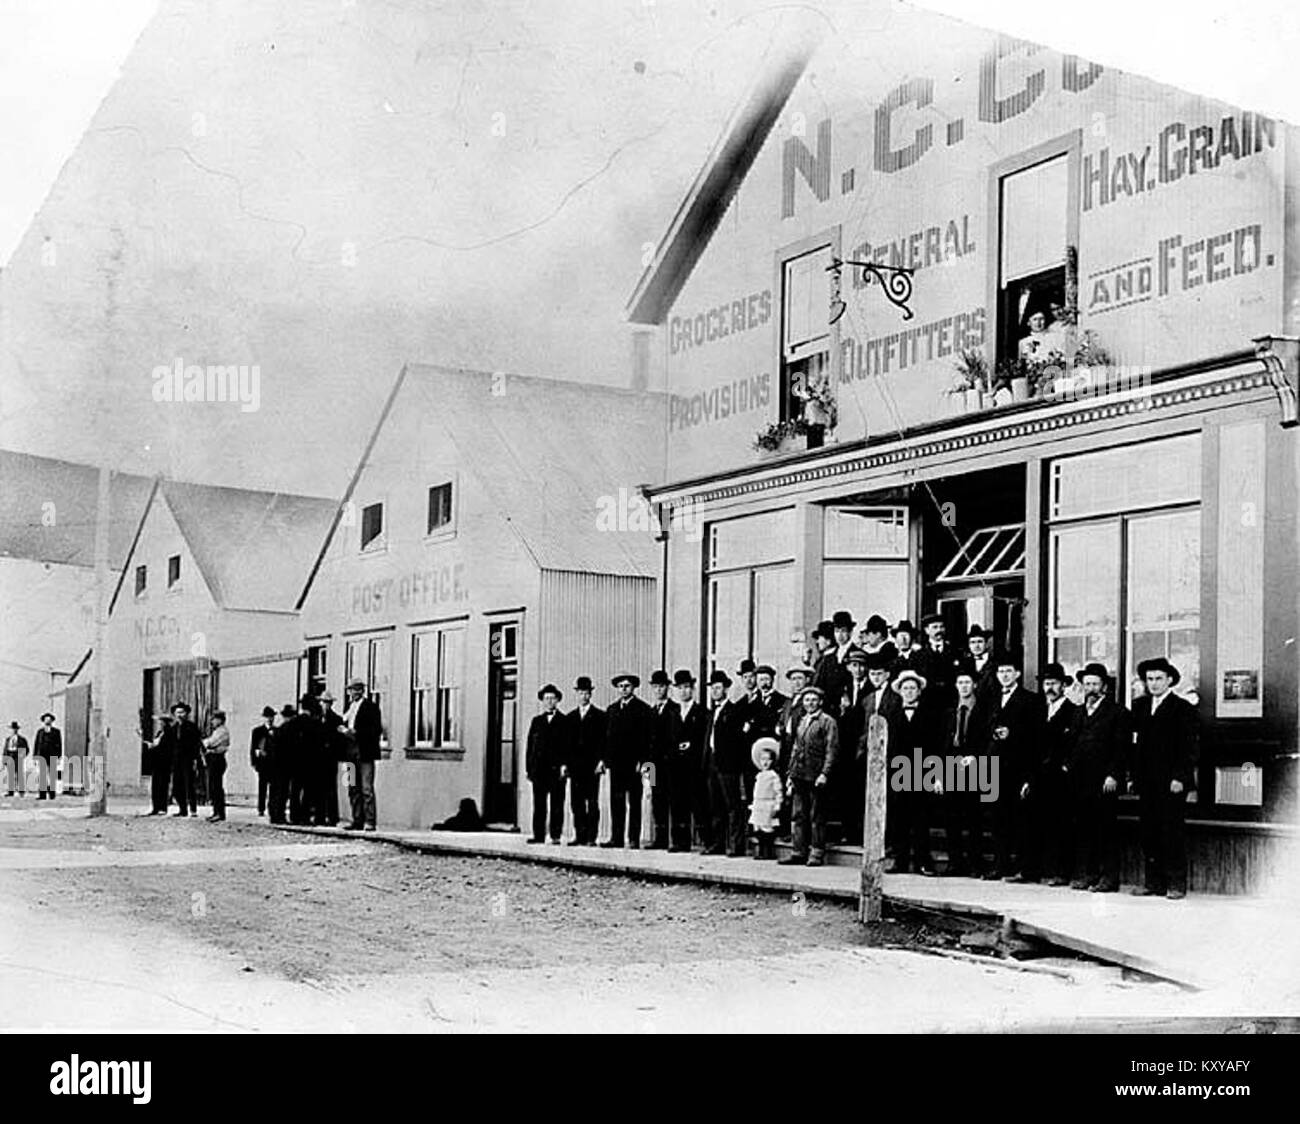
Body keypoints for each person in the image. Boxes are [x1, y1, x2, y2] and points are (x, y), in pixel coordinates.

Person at [1131, 658, 1199, 899]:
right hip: (1147, 781)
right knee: (1149, 832)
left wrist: (1180, 777)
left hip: (1171, 782)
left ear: (1170, 680)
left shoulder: (1182, 708)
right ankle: (1153, 882)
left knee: (1171, 832)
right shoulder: (1139, 706)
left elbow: (1189, 747)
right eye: (1149, 679)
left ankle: (1176, 884)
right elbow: (1135, 744)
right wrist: (1133, 775)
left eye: (1159, 678)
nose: (1154, 683)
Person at [1068, 663, 1130, 893]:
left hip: (1104, 781)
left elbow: (1121, 748)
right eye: (1087, 684)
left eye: (1095, 684)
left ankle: (1109, 878)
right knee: (1085, 829)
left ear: (1104, 686)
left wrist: (1114, 774)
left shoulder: (1117, 712)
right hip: (1081, 781)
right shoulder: (1078, 712)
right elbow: (1072, 743)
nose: (1091, 688)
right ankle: (1088, 874)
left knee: (1106, 831)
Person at [986, 657, 1043, 881]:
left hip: (1019, 768)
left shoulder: (1031, 700)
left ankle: (1024, 868)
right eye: (1001, 671)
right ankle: (1001, 866)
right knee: (998, 819)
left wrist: (1013, 735)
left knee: (1021, 820)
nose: (1005, 675)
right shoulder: (991, 699)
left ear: (1017, 673)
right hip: (995, 767)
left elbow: (1037, 739)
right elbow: (984, 728)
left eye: (1009, 670)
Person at [884, 669, 940, 875]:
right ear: (900, 691)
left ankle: (923, 862)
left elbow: (936, 746)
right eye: (905, 688)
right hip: (898, 772)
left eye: (912, 688)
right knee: (899, 819)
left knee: (921, 819)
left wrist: (936, 775)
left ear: (919, 691)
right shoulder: (891, 714)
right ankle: (899, 860)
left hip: (922, 771)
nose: (909, 692)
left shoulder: (930, 715)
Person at [1026, 664, 1079, 884]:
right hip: (1039, 776)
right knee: (1034, 823)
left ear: (1064, 685)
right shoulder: (1038, 711)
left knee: (1060, 825)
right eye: (1046, 683)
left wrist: (1066, 766)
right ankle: (1033, 871)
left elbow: (1075, 745)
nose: (1050, 687)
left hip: (1060, 778)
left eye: (1055, 683)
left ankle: (1061, 872)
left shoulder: (1074, 711)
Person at [779, 685, 839, 867]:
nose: (810, 703)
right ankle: (798, 851)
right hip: (799, 774)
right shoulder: (802, 720)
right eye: (807, 700)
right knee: (798, 815)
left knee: (816, 816)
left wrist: (824, 773)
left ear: (820, 702)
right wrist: (790, 773)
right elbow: (795, 749)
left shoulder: (827, 722)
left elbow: (832, 749)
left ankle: (816, 853)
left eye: (814, 700)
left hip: (816, 775)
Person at [941, 670, 991, 877]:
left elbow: (989, 739)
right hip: (952, 763)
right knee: (952, 818)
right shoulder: (950, 711)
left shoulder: (984, 710)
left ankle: (975, 863)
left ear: (975, 685)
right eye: (960, 682)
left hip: (974, 764)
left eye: (967, 682)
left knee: (973, 817)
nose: (964, 686)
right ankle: (955, 863)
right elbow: (942, 744)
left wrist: (976, 757)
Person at [601, 673, 653, 848]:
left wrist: (643, 761)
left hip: (634, 764)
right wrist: (606, 761)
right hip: (616, 764)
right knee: (616, 801)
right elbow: (607, 739)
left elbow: (646, 738)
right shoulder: (612, 710)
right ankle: (616, 837)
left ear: (634, 688)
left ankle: (633, 838)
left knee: (635, 802)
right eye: (621, 686)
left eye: (627, 686)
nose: (624, 689)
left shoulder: (643, 709)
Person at [701, 669, 744, 855]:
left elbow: (738, 742)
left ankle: (736, 845)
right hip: (712, 763)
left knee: (732, 806)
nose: (715, 692)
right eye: (713, 688)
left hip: (728, 765)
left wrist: (734, 764)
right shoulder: (712, 713)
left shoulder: (734, 712)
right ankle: (718, 844)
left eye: (718, 688)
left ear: (726, 689)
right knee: (715, 806)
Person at [525, 684, 568, 844]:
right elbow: (530, 747)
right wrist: (529, 768)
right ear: (542, 701)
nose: (549, 701)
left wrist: (565, 765)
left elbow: (567, 746)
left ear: (557, 700)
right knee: (539, 804)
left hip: (556, 770)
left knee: (557, 803)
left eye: (552, 698)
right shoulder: (536, 721)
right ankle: (538, 835)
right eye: (546, 698)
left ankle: (555, 835)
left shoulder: (564, 721)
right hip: (539, 770)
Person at [564, 676, 604, 846]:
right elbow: (566, 744)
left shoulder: (600, 716)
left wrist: (602, 761)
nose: (583, 696)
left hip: (592, 766)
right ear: (577, 694)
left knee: (592, 802)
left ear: (590, 694)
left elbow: (604, 740)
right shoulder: (570, 717)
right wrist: (565, 764)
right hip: (575, 767)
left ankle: (591, 837)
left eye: (586, 693)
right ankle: (579, 834)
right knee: (576, 803)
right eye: (580, 693)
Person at [670, 669, 705, 853]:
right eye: (680, 688)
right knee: (677, 804)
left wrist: (691, 746)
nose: (684, 691)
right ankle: (679, 842)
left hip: (694, 767)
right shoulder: (673, 712)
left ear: (693, 689)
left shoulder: (701, 712)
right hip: (676, 767)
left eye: (687, 688)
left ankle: (704, 841)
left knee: (698, 804)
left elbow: (703, 739)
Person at [341, 679, 382, 831]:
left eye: (356, 690)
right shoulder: (349, 707)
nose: (353, 693)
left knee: (366, 788)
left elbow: (376, 730)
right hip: (349, 753)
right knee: (352, 787)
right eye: (351, 690)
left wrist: (356, 733)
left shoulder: (370, 707)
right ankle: (356, 819)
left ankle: (370, 821)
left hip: (365, 752)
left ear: (361, 691)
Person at [646, 670, 678, 849]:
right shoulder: (650, 712)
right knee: (656, 800)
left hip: (669, 764)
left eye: (662, 686)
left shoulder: (674, 709)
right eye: (656, 687)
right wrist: (647, 768)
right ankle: (660, 838)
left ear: (667, 688)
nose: (659, 690)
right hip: (652, 765)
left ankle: (673, 840)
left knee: (671, 800)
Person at [915, 614, 963, 706]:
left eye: (941, 627)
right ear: (926, 630)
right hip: (927, 703)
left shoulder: (956, 652)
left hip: (951, 702)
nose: (939, 630)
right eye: (935, 627)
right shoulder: (918, 655)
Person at [165, 703, 203, 816]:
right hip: (176, 761)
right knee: (177, 785)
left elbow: (197, 744)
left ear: (187, 714)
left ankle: (193, 809)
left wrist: (196, 760)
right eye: (177, 712)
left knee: (189, 785)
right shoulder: (173, 729)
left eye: (182, 712)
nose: (180, 715)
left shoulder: (192, 727)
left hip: (189, 759)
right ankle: (182, 809)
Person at [748, 739, 783, 860]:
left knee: (767, 829)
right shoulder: (759, 776)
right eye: (763, 759)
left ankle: (768, 852)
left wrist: (777, 804)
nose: (765, 762)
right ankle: (761, 851)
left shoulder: (773, 776)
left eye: (768, 759)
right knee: (758, 829)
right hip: (759, 804)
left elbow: (778, 791)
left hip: (768, 804)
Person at [317, 692, 344, 827]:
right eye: (324, 702)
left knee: (331, 787)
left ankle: (332, 817)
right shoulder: (316, 719)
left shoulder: (336, 719)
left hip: (330, 758)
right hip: (318, 758)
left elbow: (339, 740)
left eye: (328, 703)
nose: (326, 705)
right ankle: (319, 816)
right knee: (318, 787)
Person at [811, 620, 849, 718]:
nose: (817, 642)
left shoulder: (833, 660)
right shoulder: (822, 659)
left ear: (828, 641)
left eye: (819, 638)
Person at [266, 704, 296, 824]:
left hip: (275, 765)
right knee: (282, 792)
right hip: (284, 766)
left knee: (275, 791)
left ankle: (274, 814)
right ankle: (279, 815)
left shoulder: (278, 730)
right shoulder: (290, 730)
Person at [201, 710, 230, 822]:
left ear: (220, 720)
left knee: (216, 786)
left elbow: (210, 743)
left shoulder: (222, 731)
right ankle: (216, 812)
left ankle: (219, 813)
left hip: (217, 759)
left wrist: (205, 743)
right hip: (214, 759)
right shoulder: (217, 731)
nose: (212, 721)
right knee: (213, 786)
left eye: (214, 719)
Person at [961, 625, 998, 703]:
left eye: (980, 642)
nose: (976, 646)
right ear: (969, 645)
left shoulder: (996, 663)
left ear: (987, 644)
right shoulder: (963, 664)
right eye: (973, 642)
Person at [250, 706, 276, 816]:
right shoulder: (257, 731)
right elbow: (253, 748)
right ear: (264, 718)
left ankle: (271, 807)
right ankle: (261, 808)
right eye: (267, 717)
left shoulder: (277, 730)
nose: (270, 719)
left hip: (274, 763)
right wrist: (254, 762)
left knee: (273, 787)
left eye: (271, 717)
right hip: (263, 763)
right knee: (262, 786)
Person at [144, 715, 172, 814]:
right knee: (155, 785)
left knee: (163, 785)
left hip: (164, 762)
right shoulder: (160, 733)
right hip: (156, 762)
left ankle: (162, 807)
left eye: (162, 722)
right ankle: (156, 807)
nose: (160, 724)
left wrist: (154, 747)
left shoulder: (169, 733)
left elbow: (166, 748)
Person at [33, 713, 62, 800]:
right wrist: (35, 757)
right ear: (43, 721)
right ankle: (42, 795)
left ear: (52, 721)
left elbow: (59, 745)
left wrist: (58, 757)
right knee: (42, 775)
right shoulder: (40, 732)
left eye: (49, 720)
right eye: (46, 719)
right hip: (42, 756)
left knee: (52, 775)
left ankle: (52, 795)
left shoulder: (56, 732)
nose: (48, 721)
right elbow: (36, 744)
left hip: (52, 755)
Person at [3, 721, 28, 797]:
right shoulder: (8, 739)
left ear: (17, 730)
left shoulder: (22, 739)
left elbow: (26, 749)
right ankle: (10, 792)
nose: (14, 730)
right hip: (10, 756)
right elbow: (5, 750)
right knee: (11, 775)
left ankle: (21, 791)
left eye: (15, 729)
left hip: (18, 757)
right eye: (12, 729)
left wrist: (22, 756)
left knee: (19, 774)